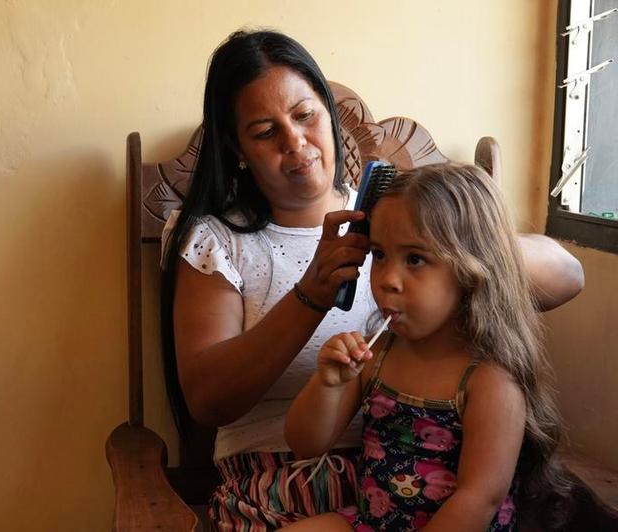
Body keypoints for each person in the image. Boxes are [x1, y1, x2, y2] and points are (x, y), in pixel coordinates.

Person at [161, 29, 583, 530]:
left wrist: (457, 238)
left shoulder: (395, 219)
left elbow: (568, 277)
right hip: (280, 482)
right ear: (237, 148)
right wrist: (310, 296)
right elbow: (209, 401)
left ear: (329, 115)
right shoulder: (220, 241)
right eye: (265, 131)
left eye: (305, 115)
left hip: (425, 489)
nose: (295, 142)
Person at [282, 163, 571, 531]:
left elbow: (479, 498)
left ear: (473, 269)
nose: (388, 280)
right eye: (380, 255)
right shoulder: (378, 353)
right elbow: (306, 444)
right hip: (373, 521)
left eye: (415, 259)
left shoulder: (490, 379)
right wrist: (328, 385)